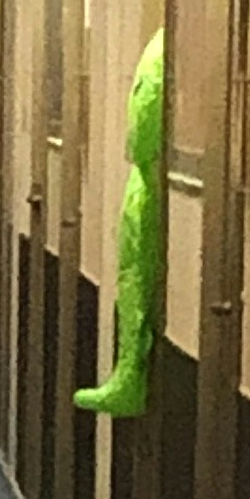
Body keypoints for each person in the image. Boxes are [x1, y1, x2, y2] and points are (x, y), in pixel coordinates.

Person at [75, 25, 164, 417]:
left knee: (136, 274)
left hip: (151, 177)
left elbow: (146, 124)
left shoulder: (163, 49)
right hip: (147, 176)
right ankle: (127, 370)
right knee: (130, 271)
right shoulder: (163, 45)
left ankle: (130, 373)